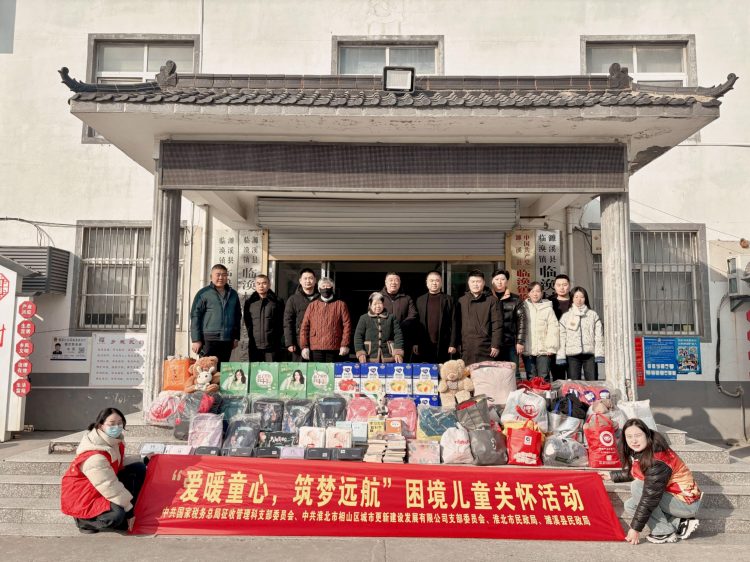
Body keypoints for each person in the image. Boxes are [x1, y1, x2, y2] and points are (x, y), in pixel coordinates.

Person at [600, 419, 702, 544]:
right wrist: (612, 475)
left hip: (686, 503)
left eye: (638, 435)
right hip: (674, 498)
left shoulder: (657, 459)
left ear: (647, 434)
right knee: (631, 505)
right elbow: (642, 473)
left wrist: (635, 529)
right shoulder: (646, 450)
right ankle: (679, 523)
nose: (634, 440)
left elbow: (649, 497)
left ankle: (663, 532)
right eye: (629, 437)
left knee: (638, 486)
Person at [60, 407, 146, 534]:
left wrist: (143, 459)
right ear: (101, 425)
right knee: (117, 516)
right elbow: (109, 485)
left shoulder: (112, 441)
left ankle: (125, 511)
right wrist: (129, 511)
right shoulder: (95, 457)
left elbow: (118, 464)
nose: (117, 427)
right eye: (112, 424)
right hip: (84, 497)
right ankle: (83, 522)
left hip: (99, 488)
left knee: (138, 468)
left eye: (120, 423)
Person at [190, 264, 242, 363]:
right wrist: (196, 340)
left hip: (227, 339)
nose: (221, 278)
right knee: (207, 368)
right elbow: (195, 316)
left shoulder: (233, 294)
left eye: (224, 275)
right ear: (211, 276)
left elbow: (237, 316)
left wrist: (236, 337)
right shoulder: (204, 293)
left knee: (223, 369)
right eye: (218, 275)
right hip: (208, 339)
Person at [454, 270, 501, 366]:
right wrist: (456, 343)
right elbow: (457, 324)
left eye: (478, 281)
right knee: (467, 374)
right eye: (473, 281)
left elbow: (497, 324)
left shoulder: (492, 300)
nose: (475, 284)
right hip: (466, 347)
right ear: (468, 283)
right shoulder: (461, 301)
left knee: (485, 373)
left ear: (483, 283)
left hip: (486, 347)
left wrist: (495, 345)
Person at [556, 286, 604, 381]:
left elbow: (599, 336)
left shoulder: (593, 315)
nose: (579, 300)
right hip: (572, 355)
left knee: (592, 382)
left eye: (582, 297)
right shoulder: (566, 316)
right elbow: (561, 337)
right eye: (576, 297)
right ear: (572, 299)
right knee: (574, 384)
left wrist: (599, 354)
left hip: (590, 354)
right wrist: (561, 356)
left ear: (585, 298)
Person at [299, 277, 352, 362]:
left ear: (332, 288)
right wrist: (304, 346)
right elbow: (305, 327)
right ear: (319, 289)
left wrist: (345, 344)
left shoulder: (341, 305)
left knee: (332, 370)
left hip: (334, 346)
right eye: (323, 286)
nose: (326, 288)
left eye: (328, 286)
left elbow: (347, 326)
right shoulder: (312, 305)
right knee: (317, 370)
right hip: (316, 347)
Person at [490, 269, 527, 377]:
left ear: (507, 281)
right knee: (494, 374)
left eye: (502, 279)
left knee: (513, 373)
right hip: (492, 343)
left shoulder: (515, 299)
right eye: (497, 279)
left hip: (510, 342)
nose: (499, 282)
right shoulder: (487, 298)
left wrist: (520, 341)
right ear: (492, 281)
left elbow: (522, 320)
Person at [414, 271, 456, 363]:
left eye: (437, 280)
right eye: (431, 280)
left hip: (443, 343)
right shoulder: (420, 300)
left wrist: (452, 343)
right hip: (424, 343)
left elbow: (454, 322)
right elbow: (416, 324)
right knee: (425, 369)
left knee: (442, 369)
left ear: (441, 282)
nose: (434, 283)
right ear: (426, 282)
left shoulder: (449, 300)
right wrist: (415, 343)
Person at [521, 281, 559, 380]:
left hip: (544, 350)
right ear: (528, 293)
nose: (535, 294)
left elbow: (553, 328)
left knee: (544, 376)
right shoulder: (523, 307)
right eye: (532, 291)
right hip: (528, 349)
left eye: (538, 291)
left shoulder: (548, 309)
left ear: (542, 293)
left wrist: (551, 347)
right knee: (531, 377)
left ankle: (544, 391)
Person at [243, 274, 285, 362]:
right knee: (255, 369)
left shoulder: (277, 301)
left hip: (273, 346)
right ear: (255, 285)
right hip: (255, 345)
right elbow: (248, 322)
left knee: (272, 369)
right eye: (258, 283)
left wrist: (277, 338)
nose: (261, 286)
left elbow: (281, 322)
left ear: (269, 285)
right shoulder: (249, 302)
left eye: (264, 283)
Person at [354, 292, 405, 363]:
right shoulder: (364, 318)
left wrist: (398, 352)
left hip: (389, 355)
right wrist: (360, 353)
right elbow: (358, 336)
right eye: (375, 304)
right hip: (369, 356)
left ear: (383, 304)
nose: (378, 306)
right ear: (370, 305)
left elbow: (398, 335)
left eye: (380, 303)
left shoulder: (391, 317)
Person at [380, 272, 418, 362]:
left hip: (403, 339)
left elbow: (413, 315)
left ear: (400, 283)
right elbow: (371, 315)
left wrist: (399, 327)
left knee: (402, 367)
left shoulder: (407, 298)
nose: (393, 282)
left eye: (396, 280)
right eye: (391, 280)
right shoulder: (378, 297)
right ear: (385, 282)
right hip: (383, 340)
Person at [284, 268, 320, 361]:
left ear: (315, 280)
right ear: (300, 281)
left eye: (310, 278)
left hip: (318, 341)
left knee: (316, 368)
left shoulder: (321, 299)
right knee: (299, 368)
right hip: (298, 342)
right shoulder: (293, 299)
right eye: (305, 278)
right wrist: (290, 342)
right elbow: (288, 322)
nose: (308, 281)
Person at [548, 274, 572, 381]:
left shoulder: (576, 300)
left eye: (564, 285)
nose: (562, 288)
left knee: (573, 377)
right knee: (558, 378)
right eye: (558, 285)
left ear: (569, 285)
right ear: (554, 286)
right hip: (556, 344)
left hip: (572, 344)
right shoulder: (549, 302)